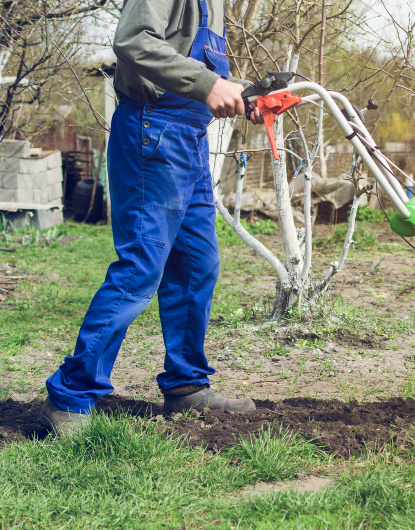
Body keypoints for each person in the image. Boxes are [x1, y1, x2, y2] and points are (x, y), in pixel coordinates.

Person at [40, 0, 265, 433]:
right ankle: (70, 395)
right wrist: (206, 83)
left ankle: (186, 387)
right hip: (153, 131)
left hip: (189, 138)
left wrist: (238, 92)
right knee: (142, 266)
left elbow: (191, 64)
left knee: (196, 264)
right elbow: (133, 40)